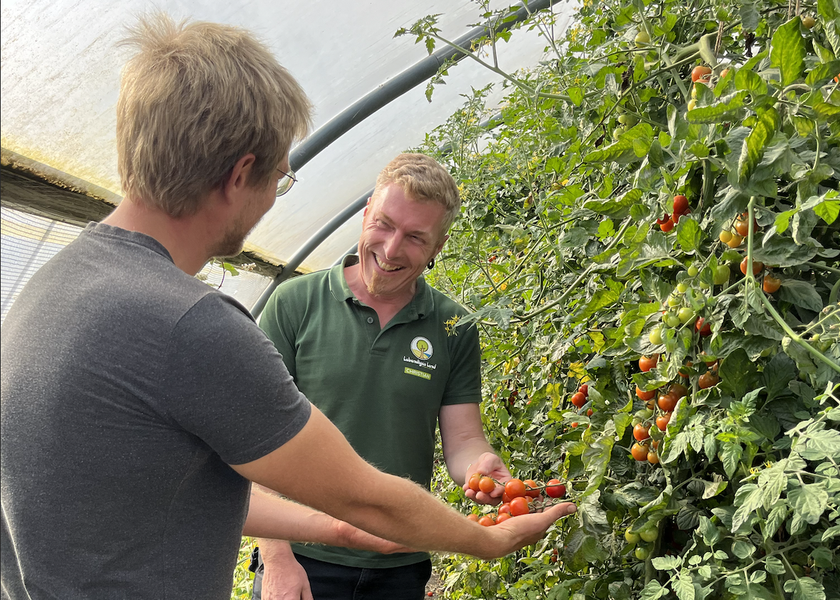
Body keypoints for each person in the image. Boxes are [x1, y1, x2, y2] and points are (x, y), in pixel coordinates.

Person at [0, 14, 576, 600]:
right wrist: (486, 541)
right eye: (280, 175)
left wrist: (340, 530)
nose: (276, 196)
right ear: (240, 174)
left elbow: (166, 489)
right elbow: (361, 494)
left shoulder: (52, 285)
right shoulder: (190, 326)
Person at [254, 153, 518, 600]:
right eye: (384, 224)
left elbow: (463, 439)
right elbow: (257, 435)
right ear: (365, 215)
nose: (392, 250)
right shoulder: (294, 304)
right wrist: (276, 558)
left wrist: (480, 466)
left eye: (415, 237)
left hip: (400, 560)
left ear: (438, 246)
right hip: (303, 555)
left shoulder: (453, 326)